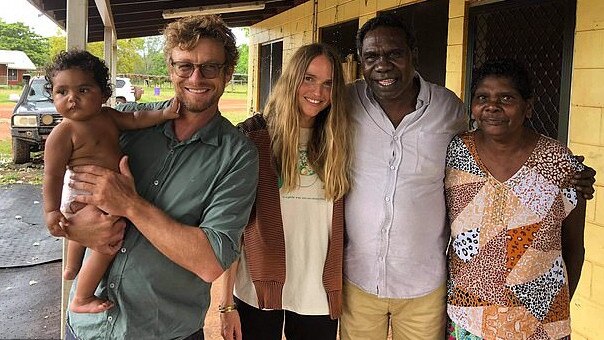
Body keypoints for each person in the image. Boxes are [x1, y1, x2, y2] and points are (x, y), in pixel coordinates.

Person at [340, 14, 595, 340]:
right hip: (390, 289)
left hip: (442, 292)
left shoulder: (449, 110)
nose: (383, 65)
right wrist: (259, 126)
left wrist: (556, 305)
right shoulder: (346, 104)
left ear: (413, 54)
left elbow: (574, 246)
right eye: (371, 56)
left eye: (394, 53)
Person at [52, 15, 259, 339]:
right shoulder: (126, 123)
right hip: (87, 329)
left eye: (210, 67)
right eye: (184, 66)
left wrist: (130, 205)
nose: (196, 77)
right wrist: (74, 226)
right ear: (170, 68)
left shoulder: (237, 156)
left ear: (228, 73)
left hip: (164, 331)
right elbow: (72, 178)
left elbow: (211, 262)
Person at [218, 43, 352, 340]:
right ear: (291, 78)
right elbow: (233, 226)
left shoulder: (338, 142)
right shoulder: (254, 138)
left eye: (328, 83)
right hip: (257, 290)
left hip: (316, 292)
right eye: (309, 78)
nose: (317, 92)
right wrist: (226, 304)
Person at [444, 59, 585, 340]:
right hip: (468, 319)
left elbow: (573, 248)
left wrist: (552, 307)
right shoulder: (457, 151)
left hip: (541, 324)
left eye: (506, 98)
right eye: (482, 97)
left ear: (528, 106)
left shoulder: (558, 160)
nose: (492, 106)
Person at [43, 49, 179, 314]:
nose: (72, 99)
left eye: (83, 90)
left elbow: (136, 119)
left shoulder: (108, 116)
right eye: (62, 92)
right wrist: (50, 210)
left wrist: (163, 114)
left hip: (106, 190)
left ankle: (72, 268)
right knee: (109, 242)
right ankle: (81, 296)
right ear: (53, 96)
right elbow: (52, 175)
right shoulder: (62, 133)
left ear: (104, 94)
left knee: (92, 231)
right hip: (85, 192)